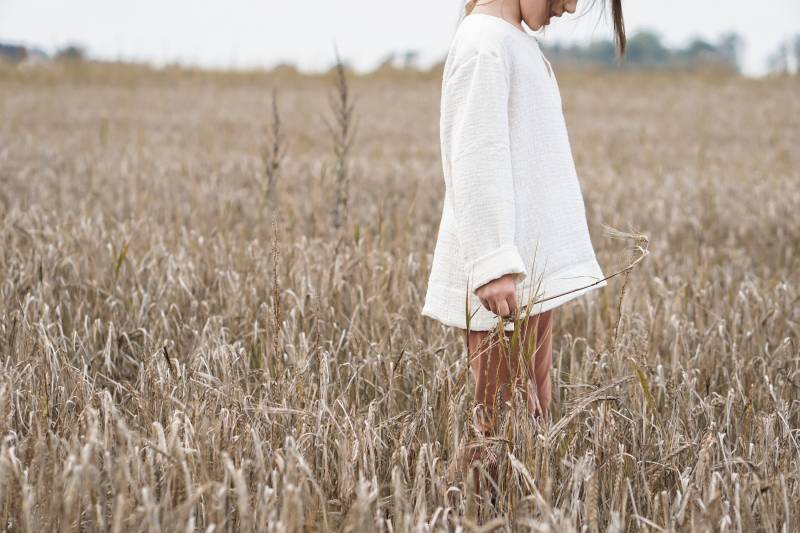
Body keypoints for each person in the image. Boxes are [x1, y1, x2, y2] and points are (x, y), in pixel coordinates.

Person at [419, 0, 626, 484]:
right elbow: (476, 155)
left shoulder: (515, 43)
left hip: (529, 279)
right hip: (503, 284)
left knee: (530, 419)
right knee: (501, 429)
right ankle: (455, 514)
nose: (571, 6)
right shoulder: (484, 44)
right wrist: (491, 263)